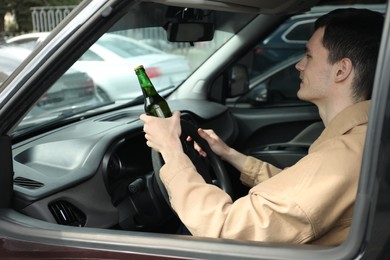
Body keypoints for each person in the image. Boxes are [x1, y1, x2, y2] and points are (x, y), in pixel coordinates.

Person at [140, 8, 384, 246]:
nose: (299, 65)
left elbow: (225, 229)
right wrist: (229, 154)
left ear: (341, 70)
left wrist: (171, 151)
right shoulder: (365, 139)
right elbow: (301, 198)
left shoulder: (342, 157)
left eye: (309, 55)